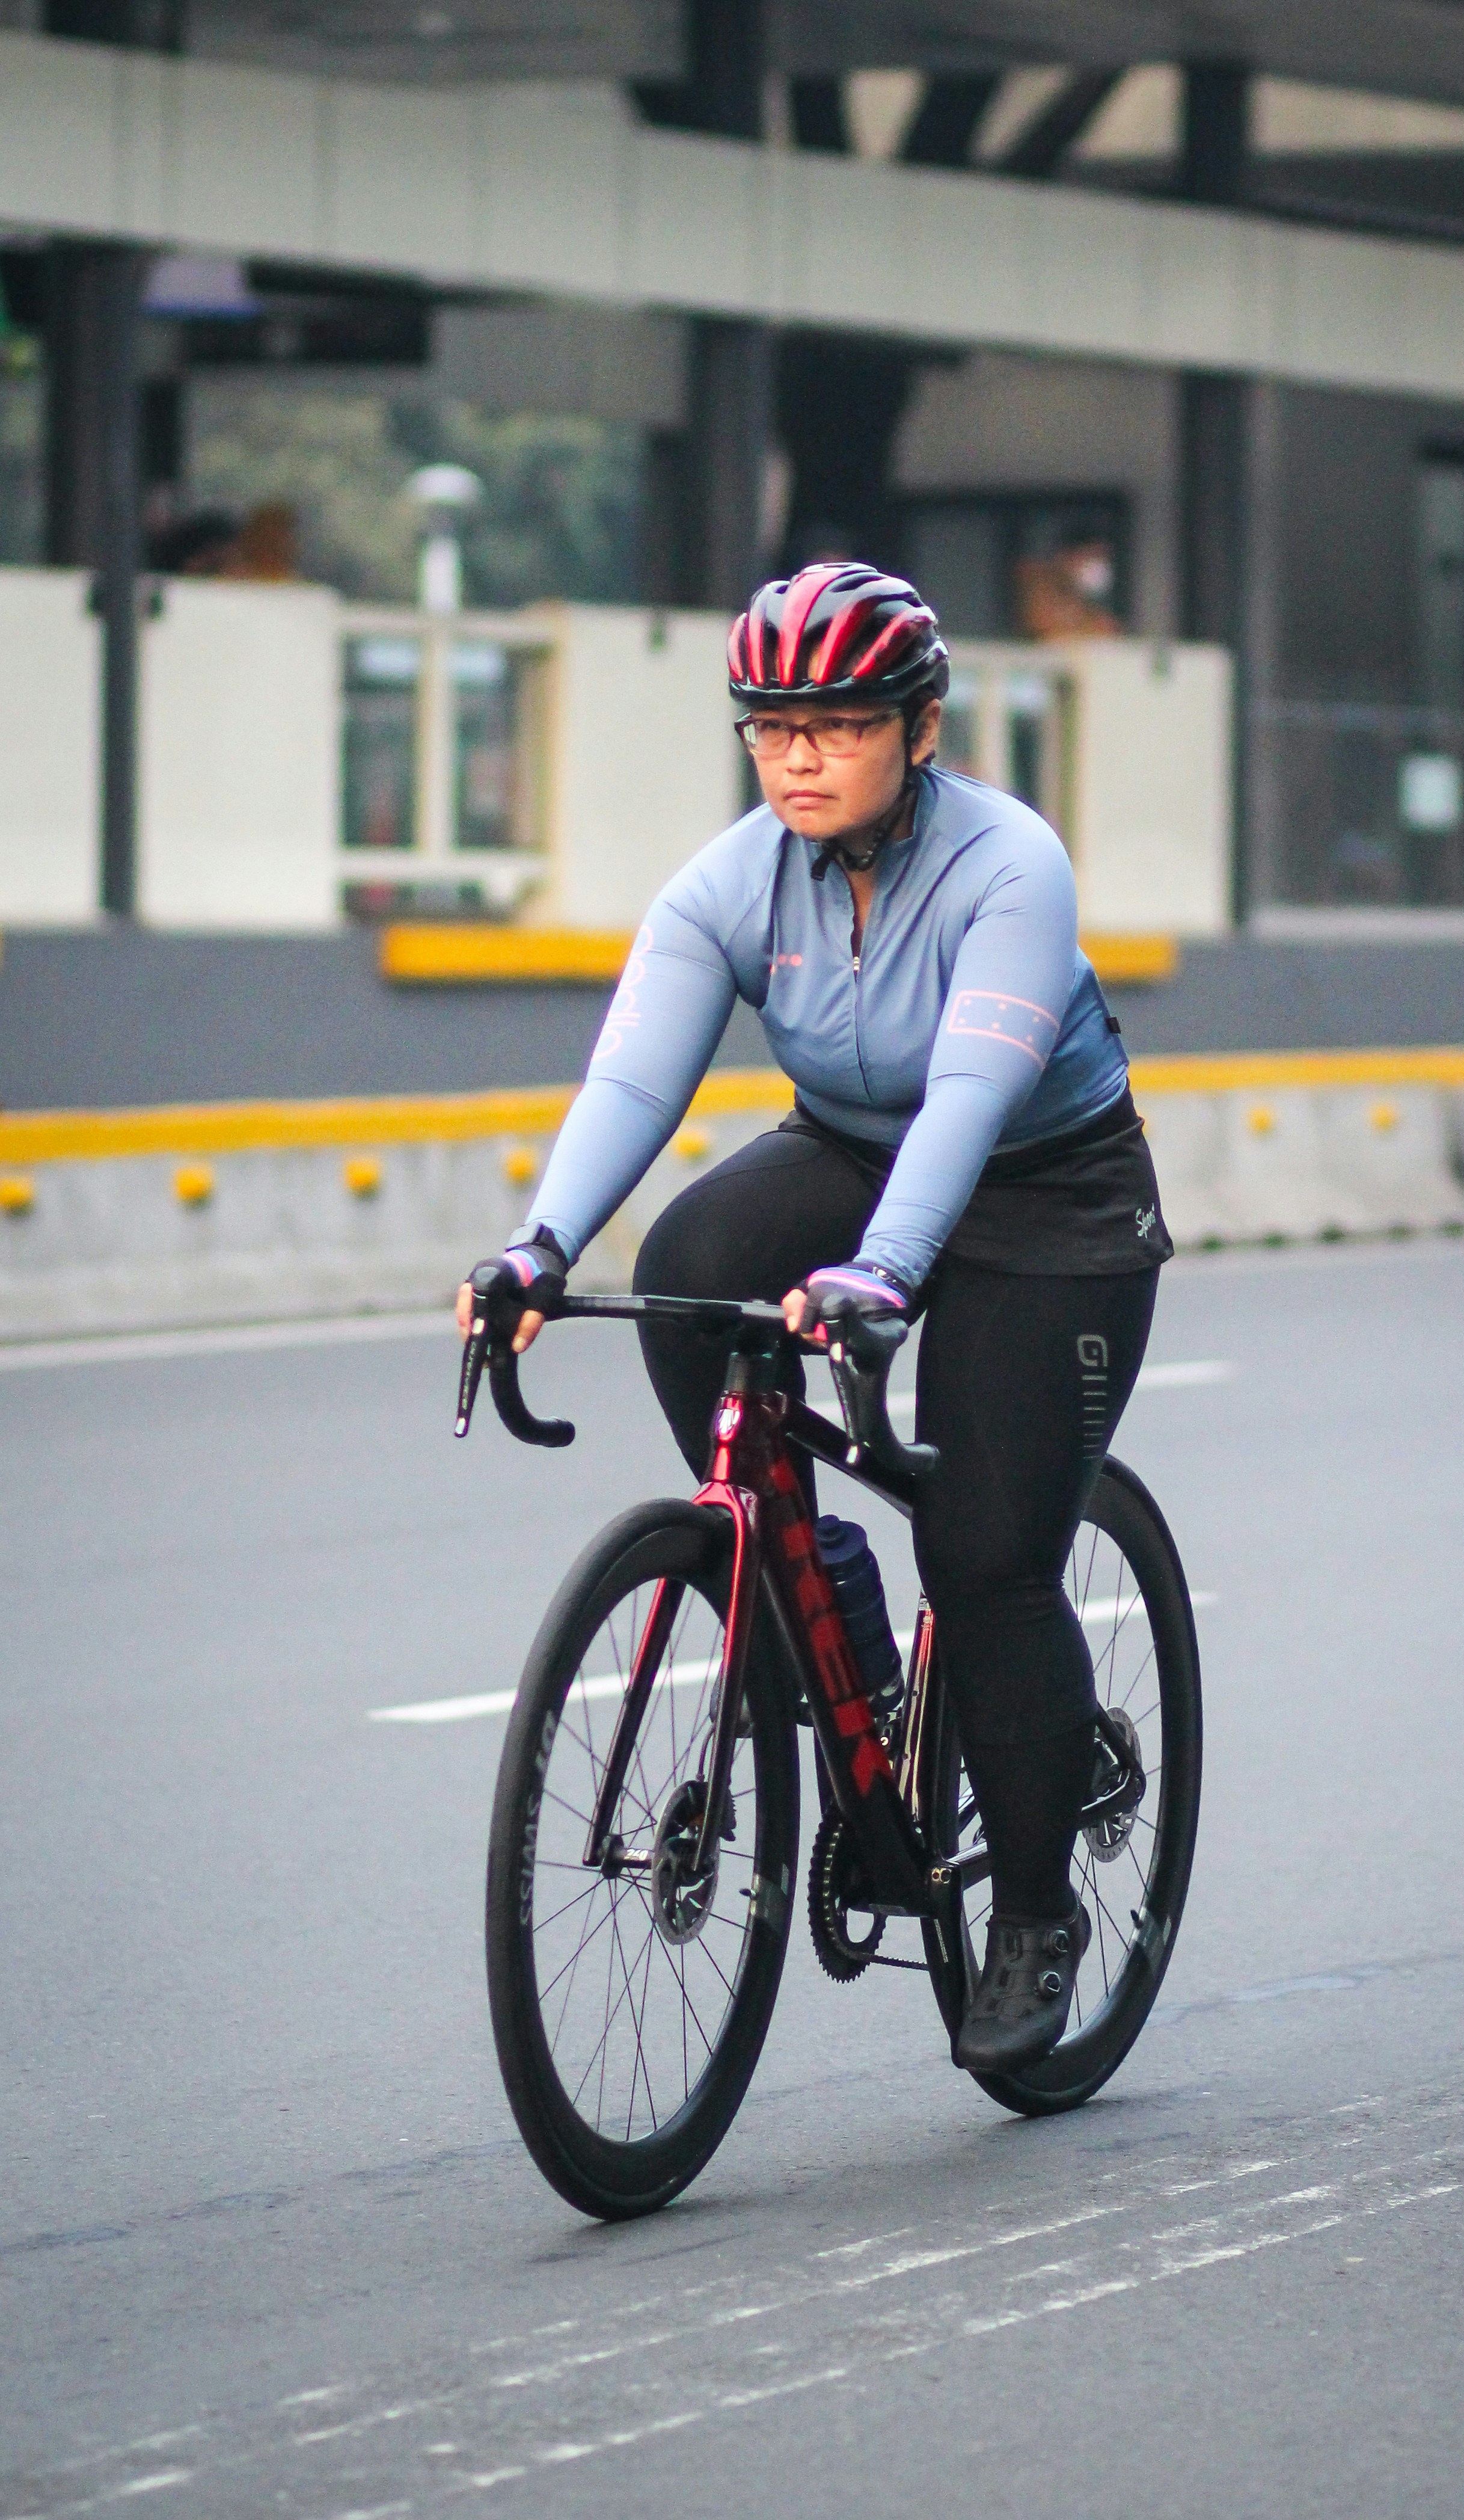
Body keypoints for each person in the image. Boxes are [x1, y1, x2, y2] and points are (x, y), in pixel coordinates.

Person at [458, 562, 1172, 2073]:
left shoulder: (1008, 866)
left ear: (920, 731)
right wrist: (534, 1246)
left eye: (838, 726)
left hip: (1048, 1200)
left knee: (985, 1559)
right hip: (851, 1150)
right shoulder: (730, 881)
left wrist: (884, 1275)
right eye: (768, 727)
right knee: (691, 1261)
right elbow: (635, 1082)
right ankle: (816, 1593)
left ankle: (1035, 1912)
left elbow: (973, 1096)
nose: (795, 758)